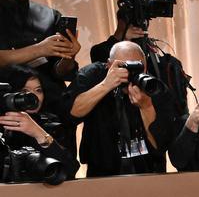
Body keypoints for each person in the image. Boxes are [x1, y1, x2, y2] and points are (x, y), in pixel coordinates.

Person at [66, 40, 180, 177]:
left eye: (137, 67)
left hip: (147, 172)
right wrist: (106, 85)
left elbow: (160, 145)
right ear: (109, 64)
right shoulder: (94, 74)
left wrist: (146, 107)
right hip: (102, 172)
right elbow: (71, 113)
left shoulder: (154, 87)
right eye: (123, 66)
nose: (129, 73)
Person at [0, 0, 81, 120]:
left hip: (50, 112)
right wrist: (40, 49)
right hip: (6, 110)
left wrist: (69, 57)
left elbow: (60, 72)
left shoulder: (50, 15)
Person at [0, 64, 78, 180]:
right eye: (24, 90)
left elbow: (70, 169)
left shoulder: (51, 123)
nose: (33, 96)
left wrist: (37, 132)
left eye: (38, 90)